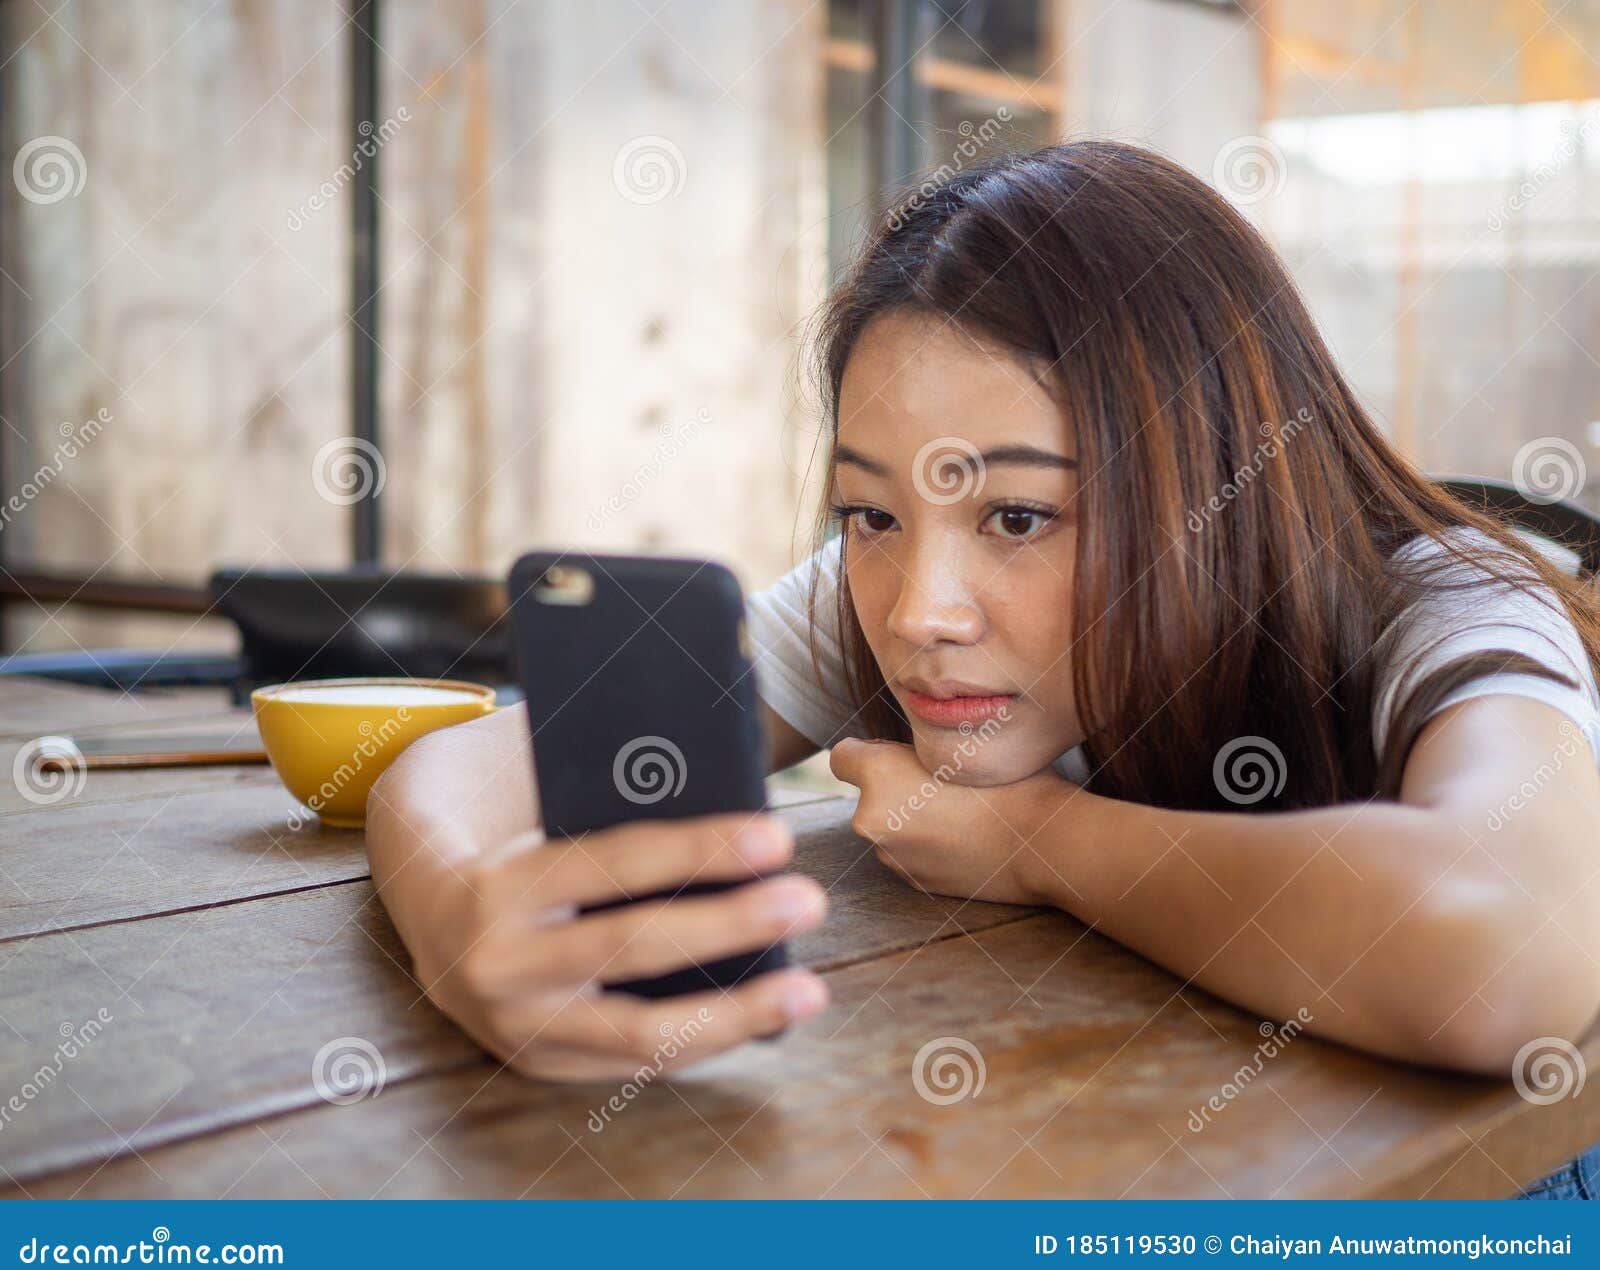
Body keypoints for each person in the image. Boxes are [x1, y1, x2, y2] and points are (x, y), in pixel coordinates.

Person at [366, 141, 1600, 1195]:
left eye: (1017, 516)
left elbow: (1504, 950)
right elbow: (466, 765)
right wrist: (460, 926)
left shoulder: (1444, 599)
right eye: (870, 512)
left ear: (1208, 492)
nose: (919, 614)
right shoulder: (882, 588)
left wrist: (1030, 840)